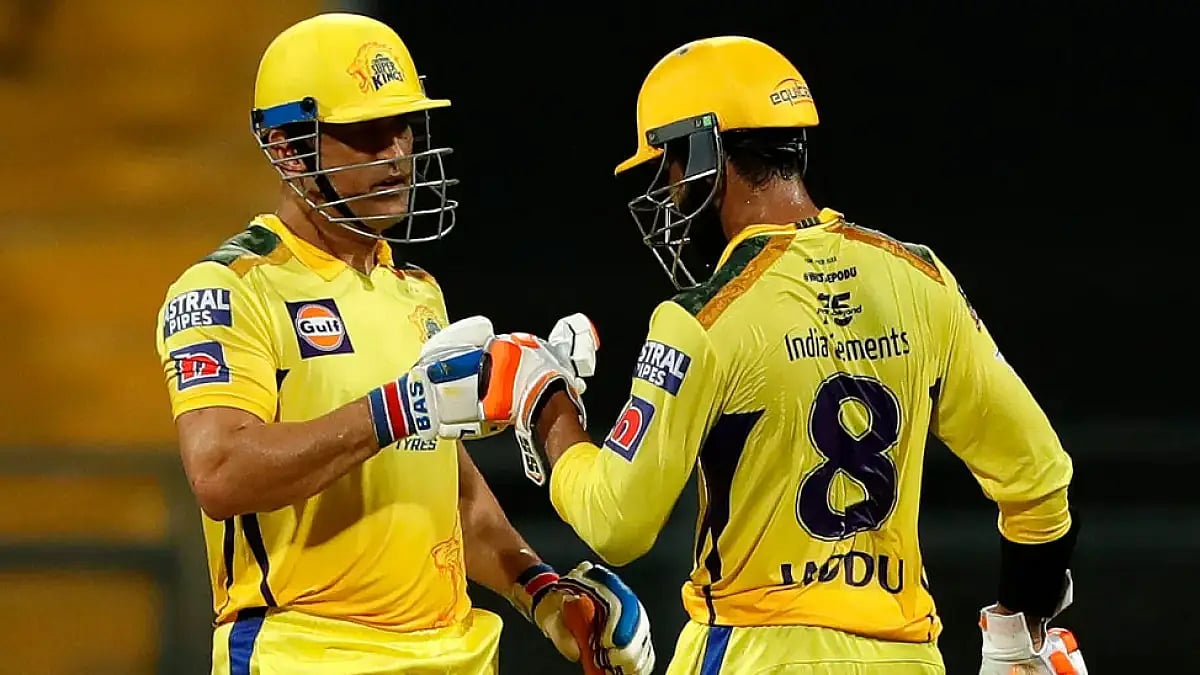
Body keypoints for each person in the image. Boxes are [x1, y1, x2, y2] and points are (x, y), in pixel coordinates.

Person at [516, 36, 1087, 674]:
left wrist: (547, 407)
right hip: (907, 658)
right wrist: (1018, 628)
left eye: (670, 167)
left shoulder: (702, 318)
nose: (670, 193)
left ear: (705, 154)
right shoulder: (922, 279)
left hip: (754, 651)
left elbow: (617, 522)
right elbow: (1039, 479)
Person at [154, 13, 653, 675]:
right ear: (288, 149)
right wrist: (400, 408)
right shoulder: (231, 287)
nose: (395, 152)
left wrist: (544, 594)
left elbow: (454, 494)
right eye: (366, 132)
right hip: (310, 657)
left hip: (454, 656)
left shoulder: (416, 291)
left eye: (403, 126)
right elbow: (219, 473)